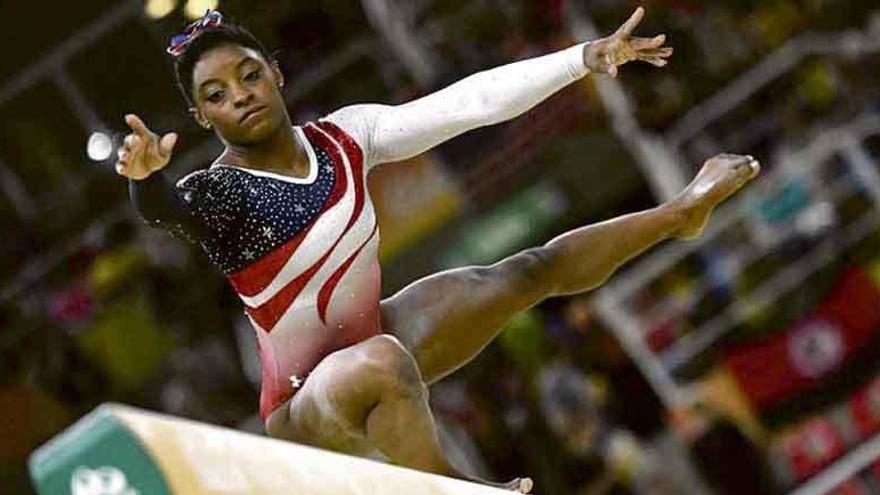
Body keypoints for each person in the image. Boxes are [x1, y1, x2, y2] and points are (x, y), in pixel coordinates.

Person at [118, 7, 757, 492]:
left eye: (249, 75)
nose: (241, 96)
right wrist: (146, 181)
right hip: (304, 404)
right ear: (204, 120)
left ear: (277, 74)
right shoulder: (220, 191)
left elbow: (469, 105)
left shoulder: (347, 137)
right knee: (378, 360)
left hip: (383, 338)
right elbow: (169, 214)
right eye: (217, 96)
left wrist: (582, 58)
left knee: (522, 273)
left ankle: (680, 213)